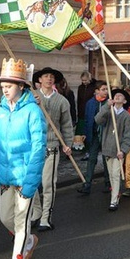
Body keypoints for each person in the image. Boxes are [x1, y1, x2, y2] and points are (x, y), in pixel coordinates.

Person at [0, 58, 46, 259]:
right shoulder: (0, 110)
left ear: (22, 86)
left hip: (24, 177)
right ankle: (30, 241)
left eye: (9, 84)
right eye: (3, 84)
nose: (5, 88)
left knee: (22, 225)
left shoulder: (33, 110)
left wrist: (30, 183)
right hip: (5, 176)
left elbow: (38, 148)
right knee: (6, 219)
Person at [31, 67, 73, 232]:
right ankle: (36, 211)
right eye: (45, 76)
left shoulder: (62, 101)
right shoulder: (31, 97)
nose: (49, 79)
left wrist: (68, 143)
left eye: (52, 77)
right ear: (39, 79)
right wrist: (33, 104)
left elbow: (67, 124)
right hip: (34, 146)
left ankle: (45, 218)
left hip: (52, 145)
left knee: (48, 183)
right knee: (32, 183)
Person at [94, 88, 130, 211]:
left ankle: (114, 200)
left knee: (116, 174)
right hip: (107, 148)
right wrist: (106, 106)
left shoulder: (126, 116)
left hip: (118, 151)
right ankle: (115, 193)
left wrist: (123, 150)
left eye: (120, 96)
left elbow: (128, 135)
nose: (117, 97)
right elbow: (98, 120)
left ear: (125, 100)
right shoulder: (108, 111)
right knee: (111, 174)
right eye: (116, 95)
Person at [77, 80, 110, 195]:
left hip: (106, 134)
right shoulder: (90, 103)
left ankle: (108, 183)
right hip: (94, 134)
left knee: (107, 159)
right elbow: (87, 119)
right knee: (91, 159)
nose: (106, 91)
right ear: (96, 91)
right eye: (103, 89)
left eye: (106, 89)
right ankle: (87, 184)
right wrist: (85, 133)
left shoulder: (109, 103)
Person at [75, 71, 96, 143]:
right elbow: (79, 100)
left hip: (90, 110)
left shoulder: (93, 87)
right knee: (80, 129)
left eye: (85, 80)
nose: (84, 82)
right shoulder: (80, 88)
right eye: (82, 80)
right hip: (81, 111)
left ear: (89, 79)